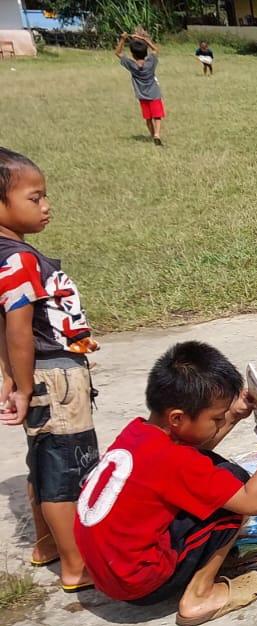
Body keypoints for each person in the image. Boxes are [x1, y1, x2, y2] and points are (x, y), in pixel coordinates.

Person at [74, 341, 257, 626]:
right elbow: (253, 501)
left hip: (107, 572)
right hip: (140, 583)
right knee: (235, 487)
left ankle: (199, 564)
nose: (220, 422)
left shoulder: (140, 434)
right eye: (216, 418)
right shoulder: (172, 459)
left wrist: (233, 415)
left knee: (212, 469)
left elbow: (194, 454)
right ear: (177, 418)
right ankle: (200, 594)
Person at [0, 148, 99, 593]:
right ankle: (77, 566)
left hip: (39, 375)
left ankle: (47, 546)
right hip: (54, 379)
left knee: (43, 463)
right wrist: (23, 386)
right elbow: (18, 328)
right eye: (35, 198)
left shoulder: (7, 255)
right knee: (67, 472)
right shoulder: (19, 259)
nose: (46, 206)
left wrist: (10, 377)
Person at [113, 31, 164, 146]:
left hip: (142, 95)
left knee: (148, 118)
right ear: (146, 52)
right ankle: (157, 134)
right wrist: (144, 39)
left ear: (132, 54)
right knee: (157, 116)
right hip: (154, 94)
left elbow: (118, 53)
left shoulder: (131, 65)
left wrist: (123, 39)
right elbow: (155, 50)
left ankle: (152, 135)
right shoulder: (151, 62)